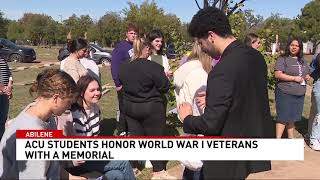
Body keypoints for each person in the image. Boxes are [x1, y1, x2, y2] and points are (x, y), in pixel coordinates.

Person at [177, 7, 274, 179]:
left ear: (211, 36)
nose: (202, 49)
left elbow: (210, 125)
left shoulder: (222, 70)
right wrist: (215, 97)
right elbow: (245, 93)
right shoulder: (256, 57)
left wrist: (187, 118)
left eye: (200, 42)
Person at [0, 68, 78, 179]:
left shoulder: (47, 117)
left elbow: (53, 163)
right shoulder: (33, 134)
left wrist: (73, 177)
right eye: (68, 102)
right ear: (56, 99)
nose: (69, 107)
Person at [59, 75, 135, 180]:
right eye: (92, 90)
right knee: (123, 163)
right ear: (82, 93)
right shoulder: (74, 114)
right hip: (79, 161)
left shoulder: (95, 109)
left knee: (118, 175)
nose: (97, 93)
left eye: (98, 89)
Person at [119, 38, 174, 179]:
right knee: (155, 139)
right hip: (150, 107)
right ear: (147, 49)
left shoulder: (124, 66)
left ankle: (133, 166)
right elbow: (165, 86)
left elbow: (122, 83)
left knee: (136, 137)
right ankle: (158, 171)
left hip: (130, 107)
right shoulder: (153, 67)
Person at [173, 41, 212, 180]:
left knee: (190, 169)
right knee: (198, 170)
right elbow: (203, 106)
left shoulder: (184, 69)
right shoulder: (200, 74)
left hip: (188, 122)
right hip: (199, 126)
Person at [274, 38, 311, 139]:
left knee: (292, 118)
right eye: (292, 45)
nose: (294, 47)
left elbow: (307, 72)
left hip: (299, 94)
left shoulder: (302, 61)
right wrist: (294, 78)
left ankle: (291, 139)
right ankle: (277, 140)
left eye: (297, 46)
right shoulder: (283, 58)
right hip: (285, 92)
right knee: (283, 117)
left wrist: (307, 75)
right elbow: (277, 74)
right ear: (288, 46)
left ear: (300, 48)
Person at [111, 23, 138, 136]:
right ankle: (122, 130)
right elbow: (115, 65)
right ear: (126, 34)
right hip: (123, 84)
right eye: (131, 33)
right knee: (124, 108)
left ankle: (132, 130)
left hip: (135, 83)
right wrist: (117, 83)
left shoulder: (137, 46)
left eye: (135, 33)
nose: (133, 35)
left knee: (134, 108)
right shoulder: (121, 46)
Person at [308, 53, 320, 150]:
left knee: (315, 112)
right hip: (319, 84)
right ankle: (314, 139)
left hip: (317, 83)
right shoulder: (318, 56)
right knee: (318, 113)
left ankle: (309, 135)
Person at [0, 56, 13, 139]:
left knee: (2, 119)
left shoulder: (3, 58)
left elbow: (9, 73)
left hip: (4, 94)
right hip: (3, 91)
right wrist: (4, 88)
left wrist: (10, 85)